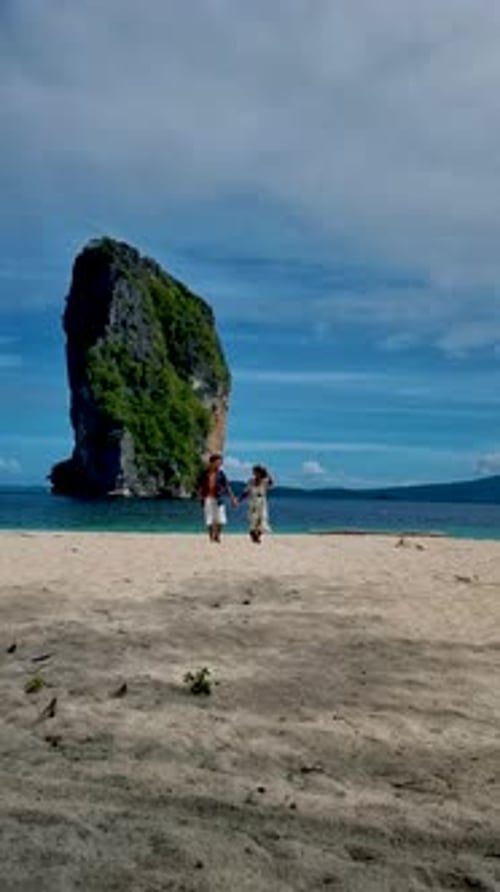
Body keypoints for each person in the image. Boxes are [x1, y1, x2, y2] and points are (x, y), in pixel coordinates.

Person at [197, 453, 237, 542]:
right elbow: (200, 486)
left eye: (220, 463)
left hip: (219, 498)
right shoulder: (205, 473)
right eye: (218, 462)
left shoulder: (221, 474)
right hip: (207, 498)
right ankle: (211, 537)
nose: (219, 465)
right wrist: (200, 496)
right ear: (212, 463)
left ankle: (217, 536)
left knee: (221, 519)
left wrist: (232, 499)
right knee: (209, 519)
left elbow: (227, 487)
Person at [238, 464, 274, 543]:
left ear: (260, 472)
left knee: (263, 519)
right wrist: (238, 500)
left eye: (256, 472)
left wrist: (267, 472)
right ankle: (254, 535)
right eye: (254, 472)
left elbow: (271, 483)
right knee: (253, 520)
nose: (255, 473)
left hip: (262, 501)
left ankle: (256, 536)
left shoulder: (265, 481)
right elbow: (246, 492)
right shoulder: (251, 481)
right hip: (253, 501)